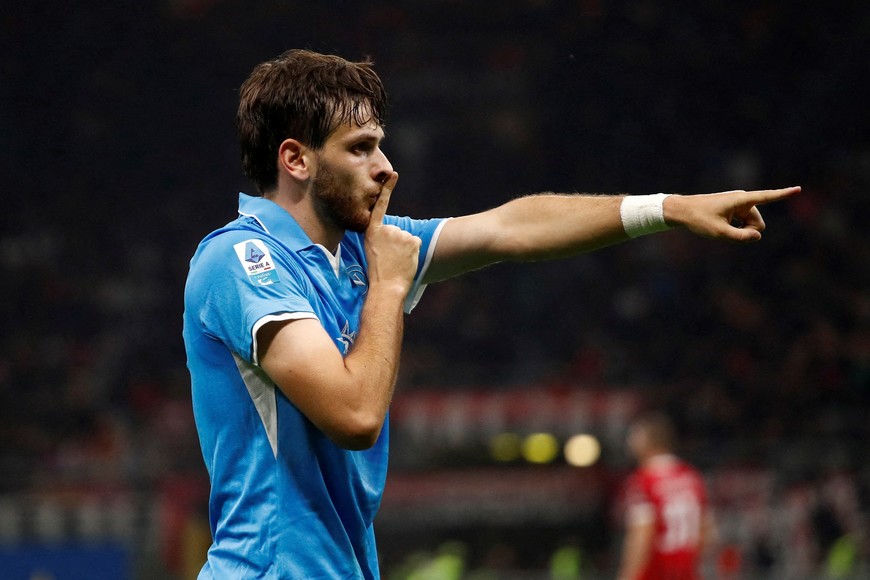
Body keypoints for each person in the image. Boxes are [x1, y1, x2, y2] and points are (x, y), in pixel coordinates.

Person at [181, 49, 796, 579]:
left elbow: (511, 227)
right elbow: (355, 414)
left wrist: (668, 207)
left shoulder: (364, 252)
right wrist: (390, 290)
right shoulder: (242, 259)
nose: (386, 167)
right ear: (297, 159)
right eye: (361, 148)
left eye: (381, 146)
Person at [617, 413, 715, 580]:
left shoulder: (643, 480)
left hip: (654, 573)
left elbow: (642, 534)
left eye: (634, 436)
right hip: (687, 573)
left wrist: (627, 576)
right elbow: (707, 531)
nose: (630, 442)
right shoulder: (691, 477)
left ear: (647, 441)